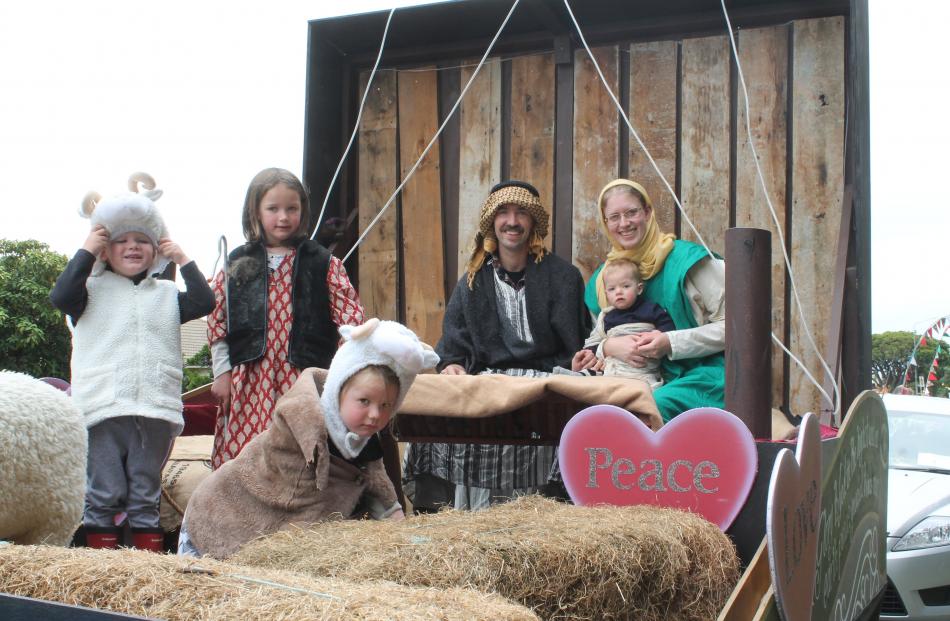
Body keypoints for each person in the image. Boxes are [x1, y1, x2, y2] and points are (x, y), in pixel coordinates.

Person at [179, 319, 439, 559]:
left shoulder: (363, 439)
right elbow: (302, 506)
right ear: (337, 390)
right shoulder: (298, 433)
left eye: (385, 406)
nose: (375, 415)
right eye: (364, 401)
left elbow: (374, 481)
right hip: (222, 516)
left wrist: (396, 521)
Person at [403, 180, 591, 511]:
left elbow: (575, 343)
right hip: (487, 377)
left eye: (521, 213)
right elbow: (453, 342)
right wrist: (452, 364)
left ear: (533, 223)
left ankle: (549, 506)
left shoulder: (563, 277)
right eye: (503, 213)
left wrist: (573, 367)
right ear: (492, 222)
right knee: (431, 409)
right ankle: (445, 511)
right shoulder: (473, 281)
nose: (512, 221)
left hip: (545, 378)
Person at [50, 174, 214, 551]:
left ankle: (144, 568)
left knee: (145, 492)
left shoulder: (167, 294)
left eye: (142, 240)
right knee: (104, 492)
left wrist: (183, 258)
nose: (132, 247)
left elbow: (204, 302)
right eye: (120, 241)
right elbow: (60, 297)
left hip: (153, 407)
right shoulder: (88, 292)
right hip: (103, 406)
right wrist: (87, 249)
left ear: (156, 250)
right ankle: (100, 566)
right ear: (106, 251)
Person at [208, 168, 364, 469]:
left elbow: (351, 321)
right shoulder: (237, 263)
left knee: (298, 452)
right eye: (273, 208)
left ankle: (298, 512)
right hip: (249, 380)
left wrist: (339, 375)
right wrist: (221, 372)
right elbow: (218, 321)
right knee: (247, 456)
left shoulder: (323, 263)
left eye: (291, 208)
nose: (283, 217)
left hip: (303, 378)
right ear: (255, 211)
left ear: (302, 211)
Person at [572, 178, 725, 422]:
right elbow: (599, 337)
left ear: (648, 212)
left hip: (702, 375)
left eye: (632, 212)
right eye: (614, 217)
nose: (624, 223)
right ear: (605, 222)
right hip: (631, 378)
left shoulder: (691, 262)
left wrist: (670, 342)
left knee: (649, 406)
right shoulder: (603, 281)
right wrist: (602, 350)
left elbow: (738, 328)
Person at [576, 257, 675, 386]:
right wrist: (589, 353)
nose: (618, 292)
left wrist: (658, 336)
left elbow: (669, 330)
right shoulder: (607, 317)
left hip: (643, 370)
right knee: (590, 378)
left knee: (646, 389)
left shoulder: (651, 309)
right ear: (606, 294)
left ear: (639, 288)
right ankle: (563, 377)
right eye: (612, 289)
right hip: (613, 369)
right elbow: (594, 342)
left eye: (625, 286)